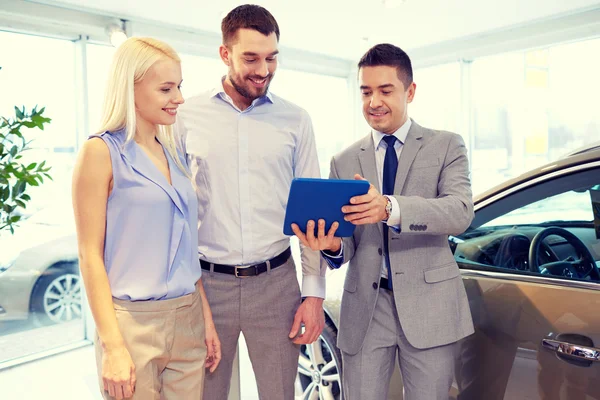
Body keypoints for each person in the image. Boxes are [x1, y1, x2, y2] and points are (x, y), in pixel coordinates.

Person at [292, 43, 475, 400]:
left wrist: (389, 208)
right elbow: (346, 244)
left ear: (410, 91)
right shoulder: (344, 160)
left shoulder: (446, 145)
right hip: (365, 309)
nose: (374, 101)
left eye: (385, 90)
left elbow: (459, 212)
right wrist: (330, 245)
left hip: (430, 306)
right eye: (365, 91)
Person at [175, 4, 326, 399]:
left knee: (279, 393)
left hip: (276, 285)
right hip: (206, 286)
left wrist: (313, 293)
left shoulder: (296, 120)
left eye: (272, 57)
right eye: (251, 58)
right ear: (225, 54)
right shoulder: (184, 116)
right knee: (206, 394)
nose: (264, 69)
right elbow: (173, 208)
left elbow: (312, 213)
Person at [72, 36, 221, 400]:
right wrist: (113, 346)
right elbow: (90, 256)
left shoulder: (173, 153)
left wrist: (206, 320)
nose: (180, 98)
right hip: (132, 324)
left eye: (180, 87)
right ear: (131, 87)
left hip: (188, 317)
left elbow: (186, 248)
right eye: (166, 88)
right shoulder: (99, 153)